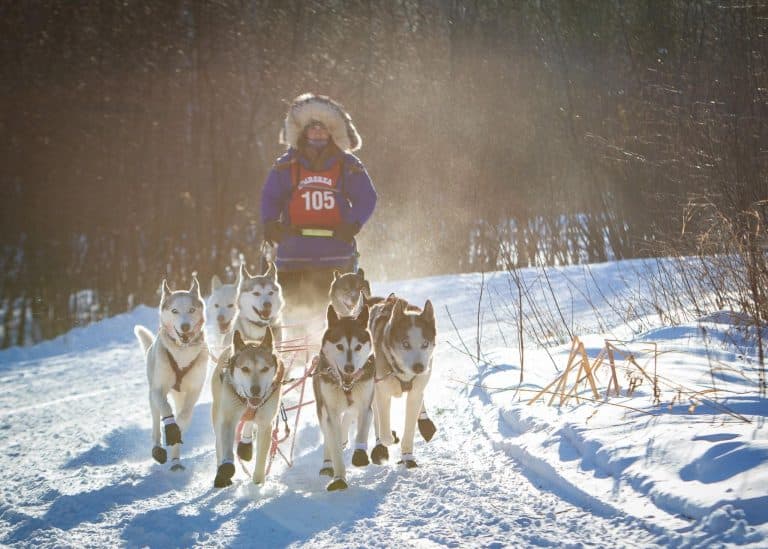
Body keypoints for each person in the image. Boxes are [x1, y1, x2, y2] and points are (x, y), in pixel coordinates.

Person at [260, 93, 377, 317]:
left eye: (322, 127)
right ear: (303, 131)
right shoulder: (286, 165)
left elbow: (367, 197)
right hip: (293, 252)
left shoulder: (347, 165)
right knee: (290, 313)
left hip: (335, 251)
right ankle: (289, 350)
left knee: (331, 314)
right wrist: (270, 222)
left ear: (332, 131)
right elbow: (270, 196)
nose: (317, 131)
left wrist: (352, 223)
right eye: (312, 127)